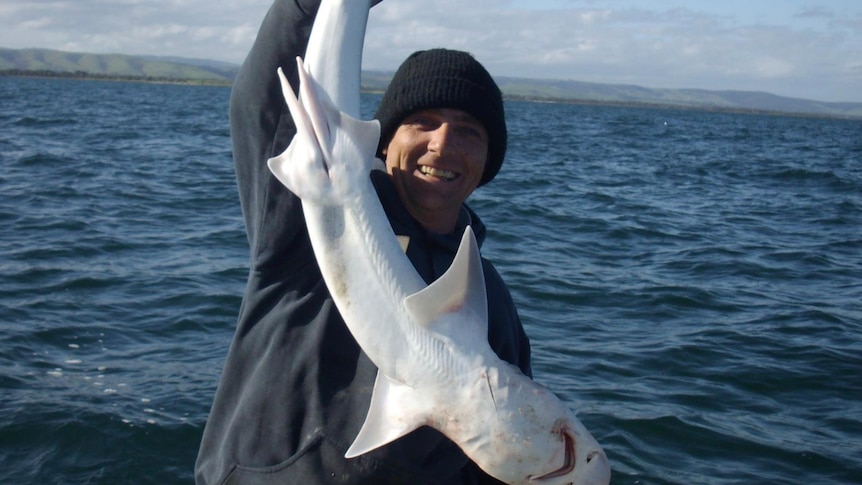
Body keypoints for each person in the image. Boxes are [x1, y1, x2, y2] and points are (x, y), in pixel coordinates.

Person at [195, 0, 532, 483]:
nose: (442, 144)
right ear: (384, 141)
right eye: (423, 122)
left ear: (487, 160)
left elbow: (499, 454)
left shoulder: (490, 303)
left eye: (469, 131)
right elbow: (264, 102)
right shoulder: (308, 220)